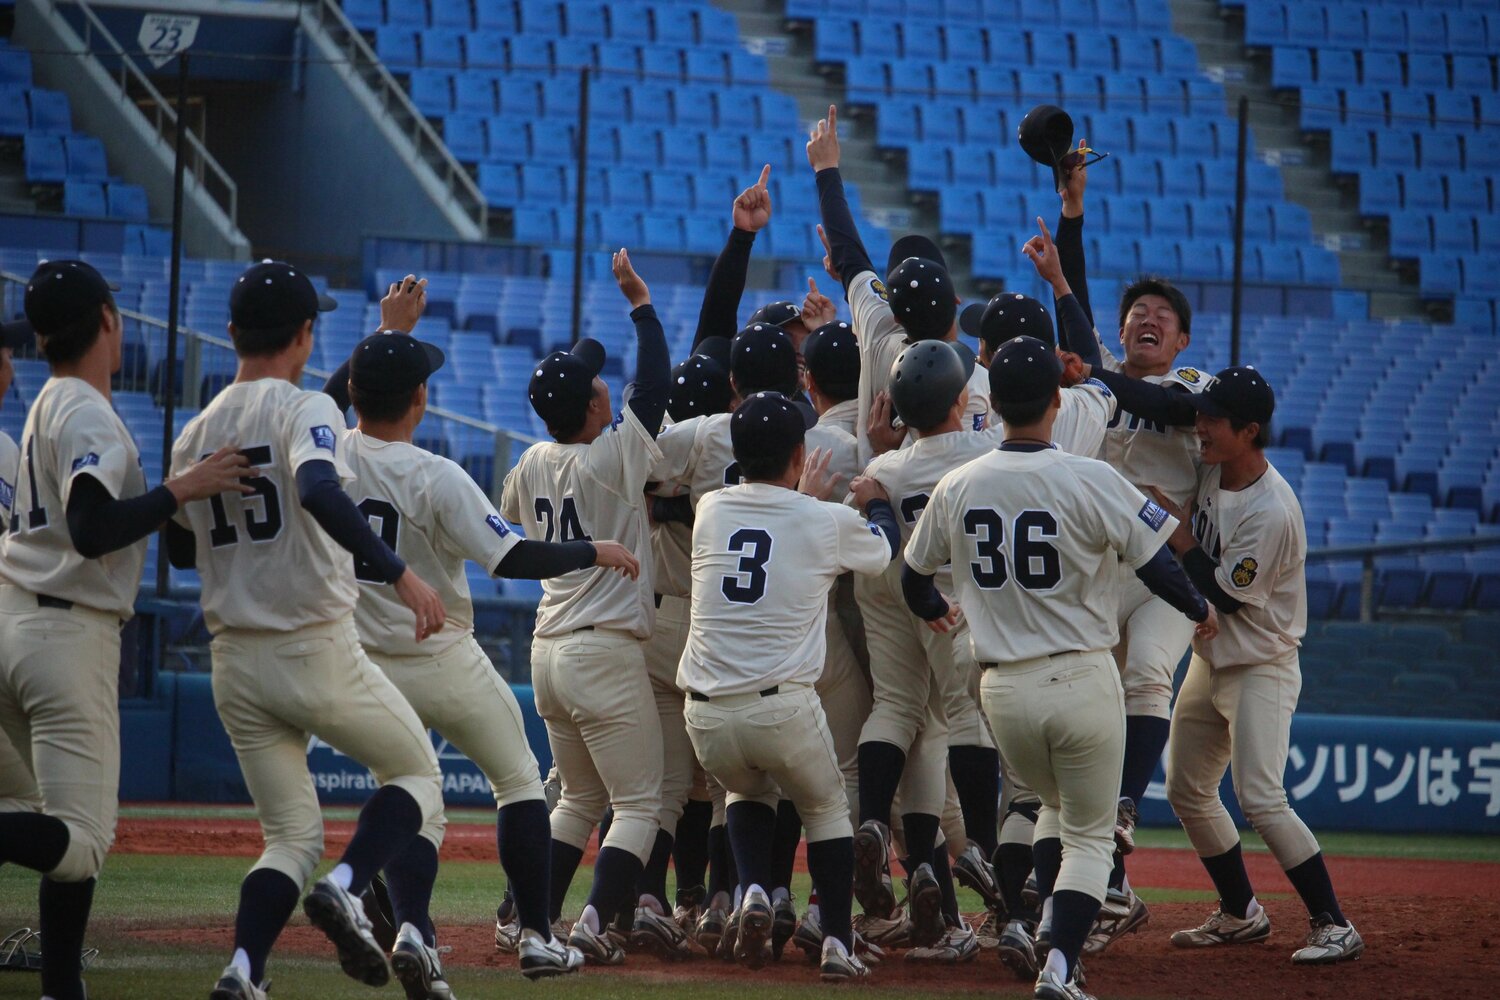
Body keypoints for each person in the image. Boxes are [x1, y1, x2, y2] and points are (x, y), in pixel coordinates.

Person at [330, 321, 649, 991]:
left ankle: (415, 928)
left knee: (417, 795)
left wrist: (389, 330)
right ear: (419, 397)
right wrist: (593, 549)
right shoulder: (434, 474)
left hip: (361, 663)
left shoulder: (326, 460)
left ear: (355, 394)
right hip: (436, 651)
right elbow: (511, 556)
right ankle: (536, 935)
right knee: (518, 780)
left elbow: (330, 405)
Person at [168, 260, 450, 1000]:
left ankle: (244, 971)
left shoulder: (195, 431)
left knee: (289, 839)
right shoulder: (307, 412)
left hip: (233, 661)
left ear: (230, 333)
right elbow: (320, 485)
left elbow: (173, 545)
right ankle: (351, 888)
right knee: (418, 773)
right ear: (305, 334)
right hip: (311, 644)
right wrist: (398, 571)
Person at [902, 336, 1216, 1000]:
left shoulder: (959, 484)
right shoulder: (1089, 475)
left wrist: (934, 606)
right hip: (1078, 678)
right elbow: (1158, 561)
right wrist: (1197, 606)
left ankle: (1048, 929)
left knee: (1048, 806)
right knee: (1091, 836)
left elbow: (912, 577)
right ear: (1054, 400)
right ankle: (1059, 966)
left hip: (1002, 691)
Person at [0, 260, 252, 1000]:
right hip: (62, 635)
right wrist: (181, 488)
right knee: (80, 844)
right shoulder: (84, 408)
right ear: (110, 320)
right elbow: (89, 528)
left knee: (41, 817)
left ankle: (59, 987)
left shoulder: (48, 397)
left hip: (15, 621)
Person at [1046, 144, 1211, 949]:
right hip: (1103, 567)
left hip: (1166, 571)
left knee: (1147, 673)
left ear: (1182, 341)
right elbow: (1093, 358)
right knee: (1088, 703)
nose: (1146, 318)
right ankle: (1105, 877)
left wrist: (1078, 331)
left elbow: (1137, 396)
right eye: (1134, 313)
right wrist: (1069, 224)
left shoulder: (1191, 391)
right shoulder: (1103, 382)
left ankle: (1120, 812)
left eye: (1162, 316)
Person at [1144, 368, 1364, 966]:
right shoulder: (1213, 468)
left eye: (1214, 419)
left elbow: (1228, 592)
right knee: (1188, 790)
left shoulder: (1273, 509)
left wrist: (1180, 534)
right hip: (1211, 658)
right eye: (1202, 414)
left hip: (1261, 664)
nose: (1201, 426)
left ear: (1249, 431)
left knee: (1262, 798)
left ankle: (1334, 923)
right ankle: (1241, 912)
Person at [679, 390, 899, 981]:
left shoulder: (712, 509)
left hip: (704, 714)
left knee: (748, 795)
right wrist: (875, 502)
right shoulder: (822, 520)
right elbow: (881, 553)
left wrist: (801, 503)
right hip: (780, 706)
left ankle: (753, 888)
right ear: (800, 454)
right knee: (826, 809)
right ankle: (835, 942)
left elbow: (768, 526)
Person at [499, 248, 671, 966]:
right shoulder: (609, 456)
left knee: (575, 799)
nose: (607, 385)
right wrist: (641, 303)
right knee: (639, 804)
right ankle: (595, 924)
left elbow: (516, 519)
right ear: (596, 405)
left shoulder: (530, 462)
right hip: (602, 648)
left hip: (548, 650)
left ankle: (523, 918)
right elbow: (656, 384)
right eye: (597, 382)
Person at [807, 105, 991, 463]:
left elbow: (850, 254)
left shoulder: (878, 329)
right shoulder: (979, 385)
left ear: (896, 312)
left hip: (872, 501)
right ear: (955, 300)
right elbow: (850, 256)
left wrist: (826, 169)